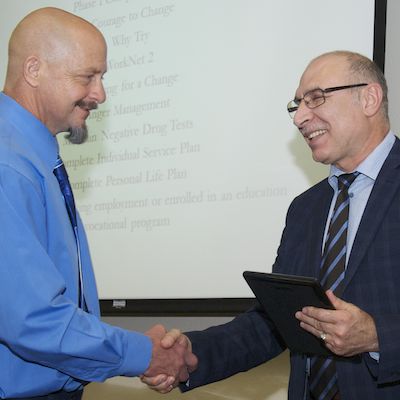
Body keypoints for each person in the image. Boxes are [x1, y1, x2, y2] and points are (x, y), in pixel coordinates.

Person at [143, 50, 400, 399]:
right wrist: (188, 354)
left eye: (316, 99)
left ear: (369, 98)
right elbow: (276, 324)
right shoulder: (305, 209)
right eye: (297, 105)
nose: (300, 118)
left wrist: (377, 337)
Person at [0, 7, 196, 400]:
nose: (100, 94)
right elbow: (32, 320)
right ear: (34, 70)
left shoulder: (32, 155)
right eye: (87, 76)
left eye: (102, 77)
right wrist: (145, 354)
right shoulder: (8, 164)